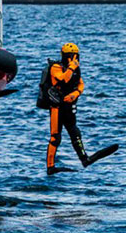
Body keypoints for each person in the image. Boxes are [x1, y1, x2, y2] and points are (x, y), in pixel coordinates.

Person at [43, 42, 119, 175]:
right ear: (66, 56)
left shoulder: (76, 69)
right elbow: (63, 80)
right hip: (57, 108)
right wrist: (71, 67)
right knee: (55, 137)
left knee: (75, 133)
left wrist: (75, 94)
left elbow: (81, 84)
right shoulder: (56, 67)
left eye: (76, 56)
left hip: (69, 106)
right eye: (72, 56)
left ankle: (84, 159)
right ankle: (50, 166)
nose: (75, 59)